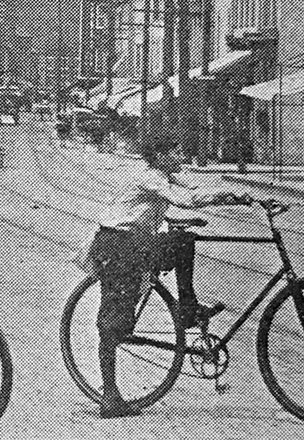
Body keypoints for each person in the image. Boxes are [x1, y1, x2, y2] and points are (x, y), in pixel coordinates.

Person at [79, 131, 246, 419]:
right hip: (117, 246)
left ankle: (187, 307)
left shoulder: (165, 176)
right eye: (177, 152)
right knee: (114, 323)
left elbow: (194, 188)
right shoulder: (150, 177)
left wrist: (238, 196)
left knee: (184, 241)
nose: (182, 157)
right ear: (160, 156)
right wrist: (227, 197)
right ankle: (109, 395)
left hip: (135, 244)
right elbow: (185, 200)